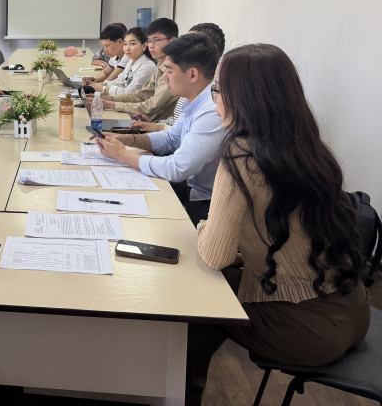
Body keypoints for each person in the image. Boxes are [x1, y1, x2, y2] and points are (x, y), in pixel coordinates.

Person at [186, 43, 370, 405]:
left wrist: (203, 227)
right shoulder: (309, 147)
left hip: (304, 328)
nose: (213, 98)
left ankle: (177, 392)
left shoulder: (240, 154)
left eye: (218, 89)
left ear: (245, 98)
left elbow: (214, 255)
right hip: (352, 311)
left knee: (198, 302)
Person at [95, 33, 224, 224]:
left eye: (169, 71)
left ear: (192, 74)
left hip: (205, 203)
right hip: (189, 188)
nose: (165, 78)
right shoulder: (196, 99)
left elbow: (177, 168)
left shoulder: (211, 110)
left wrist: (122, 155)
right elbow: (170, 139)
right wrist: (125, 139)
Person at [131, 22, 226, 131]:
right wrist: (153, 125)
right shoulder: (188, 83)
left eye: (191, 42)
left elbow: (181, 133)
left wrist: (157, 127)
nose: (184, 46)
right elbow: (177, 122)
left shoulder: (214, 96)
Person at [94, 17, 178, 121]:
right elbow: (141, 95)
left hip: (156, 124)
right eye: (149, 41)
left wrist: (112, 104)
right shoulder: (159, 66)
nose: (151, 46)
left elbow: (151, 106)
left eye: (156, 40)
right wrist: (110, 99)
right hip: (149, 121)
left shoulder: (171, 70)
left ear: (172, 41)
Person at [102, 26, 156, 97]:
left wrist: (102, 88)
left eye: (132, 44)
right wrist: (100, 85)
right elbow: (120, 82)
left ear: (144, 46)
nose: (127, 48)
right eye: (125, 44)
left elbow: (129, 93)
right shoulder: (130, 62)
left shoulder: (147, 67)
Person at [81, 24, 126, 89]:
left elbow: (108, 81)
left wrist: (94, 85)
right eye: (104, 46)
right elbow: (106, 73)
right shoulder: (115, 56)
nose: (105, 50)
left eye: (107, 46)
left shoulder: (128, 57)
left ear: (119, 42)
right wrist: (95, 79)